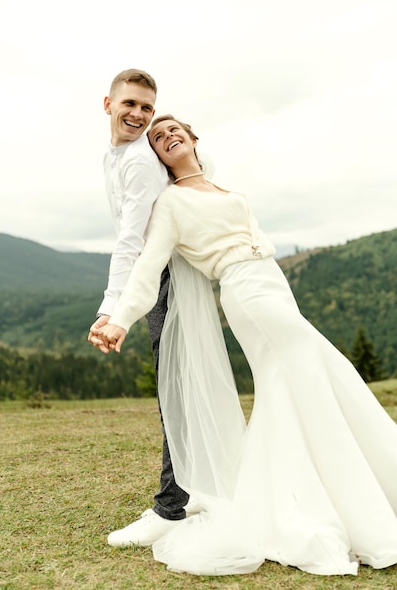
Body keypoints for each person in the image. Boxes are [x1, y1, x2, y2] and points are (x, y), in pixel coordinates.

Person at [96, 114, 397, 577]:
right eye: (157, 137)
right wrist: (119, 320)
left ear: (194, 139)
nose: (166, 135)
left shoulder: (229, 192)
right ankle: (329, 502)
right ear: (157, 155)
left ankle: (327, 492)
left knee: (299, 383)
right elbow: (148, 265)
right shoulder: (170, 205)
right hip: (246, 293)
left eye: (174, 129)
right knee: (315, 368)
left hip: (274, 284)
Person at [87, 74, 200, 548]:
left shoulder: (138, 161)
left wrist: (112, 311)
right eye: (130, 103)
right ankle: (188, 496)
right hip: (157, 280)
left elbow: (131, 243)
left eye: (147, 108)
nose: (138, 114)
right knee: (176, 394)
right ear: (108, 102)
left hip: (165, 283)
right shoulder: (114, 157)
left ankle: (172, 509)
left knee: (174, 396)